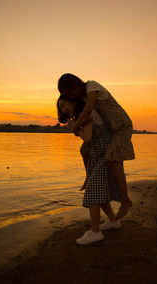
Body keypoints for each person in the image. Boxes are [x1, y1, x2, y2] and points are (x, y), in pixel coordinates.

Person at [57, 73, 135, 219]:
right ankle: (89, 177)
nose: (72, 94)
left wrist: (75, 127)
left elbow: (88, 109)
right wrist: (67, 118)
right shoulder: (81, 99)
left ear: (76, 83)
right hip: (112, 129)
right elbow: (80, 112)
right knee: (84, 149)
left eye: (71, 90)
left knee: (112, 160)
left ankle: (125, 200)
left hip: (122, 126)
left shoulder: (91, 86)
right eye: (68, 94)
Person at [57, 95, 122, 245]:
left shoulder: (89, 112)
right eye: (60, 108)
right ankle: (113, 221)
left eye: (63, 104)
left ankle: (95, 232)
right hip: (96, 152)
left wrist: (74, 126)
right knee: (99, 190)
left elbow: (86, 137)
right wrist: (73, 124)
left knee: (93, 190)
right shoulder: (80, 116)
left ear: (73, 100)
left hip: (106, 152)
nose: (63, 109)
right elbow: (87, 140)